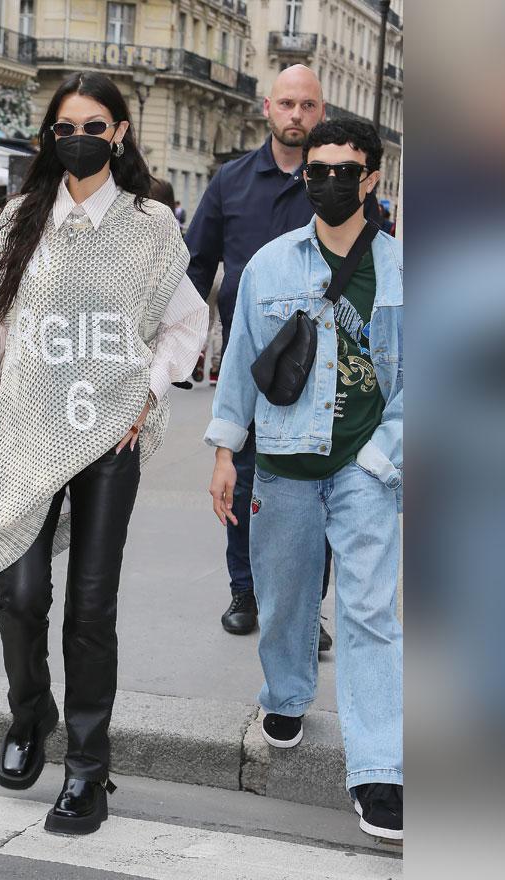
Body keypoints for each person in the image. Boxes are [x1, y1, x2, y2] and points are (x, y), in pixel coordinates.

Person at [0, 71, 207, 836]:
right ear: (49, 137)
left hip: (108, 439)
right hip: (28, 429)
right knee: (21, 596)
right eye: (66, 126)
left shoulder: (152, 223)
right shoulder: (24, 218)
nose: (80, 138)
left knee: (92, 608)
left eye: (95, 125)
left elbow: (187, 323)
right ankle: (30, 715)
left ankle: (87, 770)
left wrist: (149, 394)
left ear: (120, 132)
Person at [205, 119, 403, 841]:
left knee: (370, 614)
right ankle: (286, 693)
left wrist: (386, 456)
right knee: (285, 599)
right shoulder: (271, 263)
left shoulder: (406, 271)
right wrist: (225, 450)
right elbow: (240, 365)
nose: (326, 182)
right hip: (283, 464)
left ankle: (381, 767)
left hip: (366, 467)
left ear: (372, 178)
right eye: (315, 171)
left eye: (342, 170)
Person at [183, 64, 338, 644]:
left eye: (308, 106)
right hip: (248, 362)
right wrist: (180, 343)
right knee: (241, 480)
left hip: (319, 361)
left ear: (321, 113)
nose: (297, 115)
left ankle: (305, 610)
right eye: (287, 104)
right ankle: (244, 590)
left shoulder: (334, 179)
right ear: (267, 108)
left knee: (315, 482)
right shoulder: (231, 180)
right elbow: (197, 263)